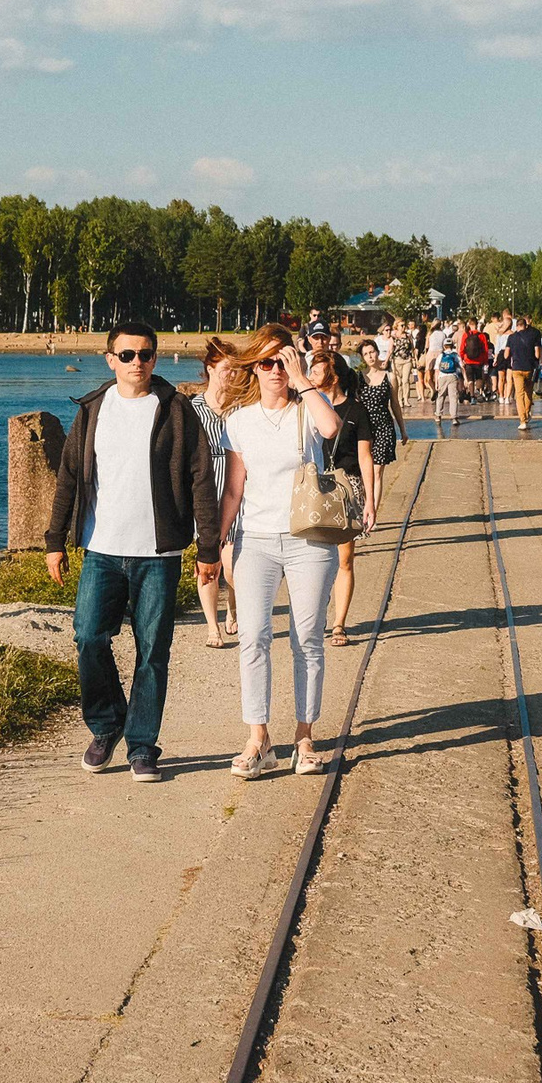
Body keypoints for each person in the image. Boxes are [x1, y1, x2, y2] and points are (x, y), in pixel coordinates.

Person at [44, 321, 224, 783]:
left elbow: (201, 480)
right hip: (101, 549)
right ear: (110, 359)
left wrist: (208, 548)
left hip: (158, 554)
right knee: (88, 637)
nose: (137, 363)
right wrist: (54, 540)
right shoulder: (92, 410)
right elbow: (68, 477)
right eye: (127, 355)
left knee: (152, 652)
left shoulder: (177, 411)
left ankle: (143, 746)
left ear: (155, 358)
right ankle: (106, 726)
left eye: (145, 354)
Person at [218, 325, 345, 778]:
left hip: (309, 538)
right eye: (266, 362)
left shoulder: (309, 408)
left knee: (306, 639)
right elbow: (234, 489)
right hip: (255, 539)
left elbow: (331, 428)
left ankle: (304, 738)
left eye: (282, 360)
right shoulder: (240, 419)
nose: (275, 371)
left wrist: (303, 379)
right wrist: (216, 542)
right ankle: (258, 739)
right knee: (252, 638)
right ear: (254, 366)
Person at [306, 352, 379, 647]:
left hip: (347, 487)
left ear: (332, 375)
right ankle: (315, 617)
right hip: (314, 487)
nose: (310, 376)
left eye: (315, 371)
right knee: (313, 558)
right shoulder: (308, 408)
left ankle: (339, 624)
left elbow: (365, 458)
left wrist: (370, 501)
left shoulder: (357, 411)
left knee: (345, 559)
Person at [192, 336, 243, 649]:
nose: (233, 375)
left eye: (236, 369)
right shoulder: (193, 409)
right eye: (227, 368)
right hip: (207, 493)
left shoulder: (242, 407)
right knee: (208, 561)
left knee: (235, 565)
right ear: (210, 368)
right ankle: (213, 627)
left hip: (238, 491)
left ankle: (234, 605)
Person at [354, 336, 405, 518]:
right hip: (364, 429)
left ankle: (372, 514)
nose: (370, 356)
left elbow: (395, 404)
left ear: (377, 352)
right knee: (363, 473)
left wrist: (403, 430)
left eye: (372, 352)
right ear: (362, 357)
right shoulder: (359, 378)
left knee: (376, 472)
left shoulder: (389, 377)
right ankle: (365, 510)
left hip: (384, 427)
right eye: (366, 354)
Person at [503, 310, 542, 433]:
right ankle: (526, 413)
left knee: (519, 395)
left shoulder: (511, 337)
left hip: (516, 368)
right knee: (528, 394)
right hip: (529, 368)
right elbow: (537, 354)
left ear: (517, 326)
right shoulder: (533, 335)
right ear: (525, 325)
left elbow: (506, 355)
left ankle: (522, 421)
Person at [434, 320, 464, 431]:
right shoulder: (455, 355)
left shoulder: (440, 355)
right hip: (453, 376)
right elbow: (461, 367)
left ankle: (438, 415)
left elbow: (437, 369)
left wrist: (436, 382)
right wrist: (463, 380)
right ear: (452, 345)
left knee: (441, 396)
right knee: (453, 397)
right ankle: (454, 417)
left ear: (444, 346)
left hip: (442, 377)